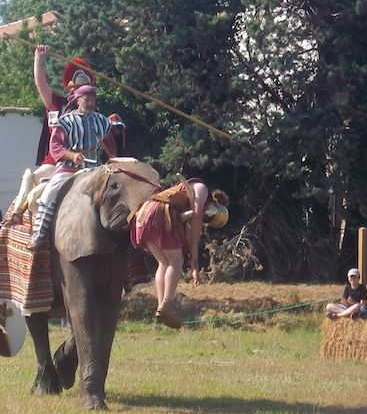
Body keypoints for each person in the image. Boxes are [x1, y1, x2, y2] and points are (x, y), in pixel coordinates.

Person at [130, 178, 230, 329]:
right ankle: (167, 305)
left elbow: (190, 233)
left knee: (164, 263)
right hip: (159, 212)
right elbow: (195, 219)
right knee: (176, 262)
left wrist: (194, 265)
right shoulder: (202, 188)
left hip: (144, 214)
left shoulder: (186, 196)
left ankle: (161, 306)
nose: (204, 218)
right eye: (208, 216)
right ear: (215, 205)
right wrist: (194, 258)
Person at [29, 84, 113, 248]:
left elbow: (110, 148)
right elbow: (56, 147)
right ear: (78, 100)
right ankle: (38, 235)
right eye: (86, 99)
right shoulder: (65, 122)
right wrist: (72, 155)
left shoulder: (103, 121)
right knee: (50, 193)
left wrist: (114, 160)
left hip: (96, 168)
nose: (90, 103)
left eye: (92, 100)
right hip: (69, 169)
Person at [33, 45, 95, 182]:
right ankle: (18, 205)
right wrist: (38, 58)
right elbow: (41, 84)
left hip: (87, 162)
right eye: (78, 88)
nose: (81, 93)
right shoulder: (58, 103)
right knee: (32, 179)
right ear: (71, 88)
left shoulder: (94, 112)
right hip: (56, 161)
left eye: (85, 90)